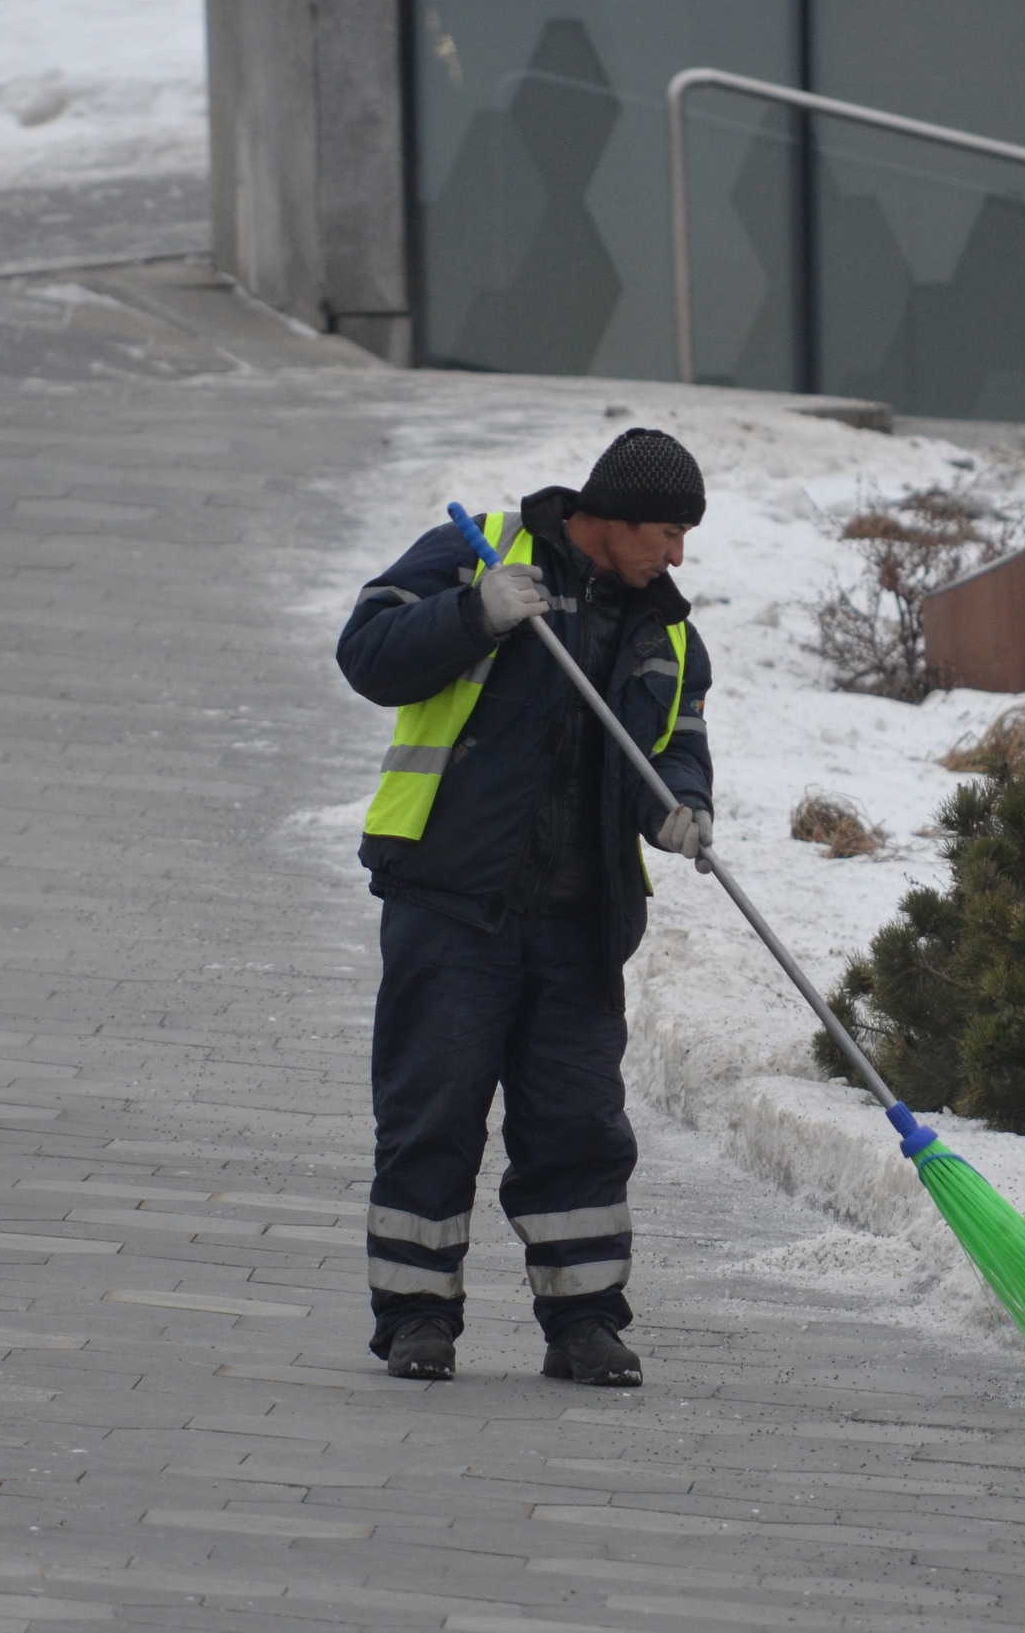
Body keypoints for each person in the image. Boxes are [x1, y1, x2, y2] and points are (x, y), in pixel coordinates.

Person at [335, 427, 716, 1386]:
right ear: (607, 517)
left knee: (579, 1127)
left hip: (582, 923)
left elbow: (675, 738)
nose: (675, 556)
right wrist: (472, 615)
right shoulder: (480, 549)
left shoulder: (665, 627)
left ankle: (584, 1321)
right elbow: (368, 654)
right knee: (433, 1112)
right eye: (664, 532)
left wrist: (681, 802)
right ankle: (417, 1317)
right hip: (453, 900)